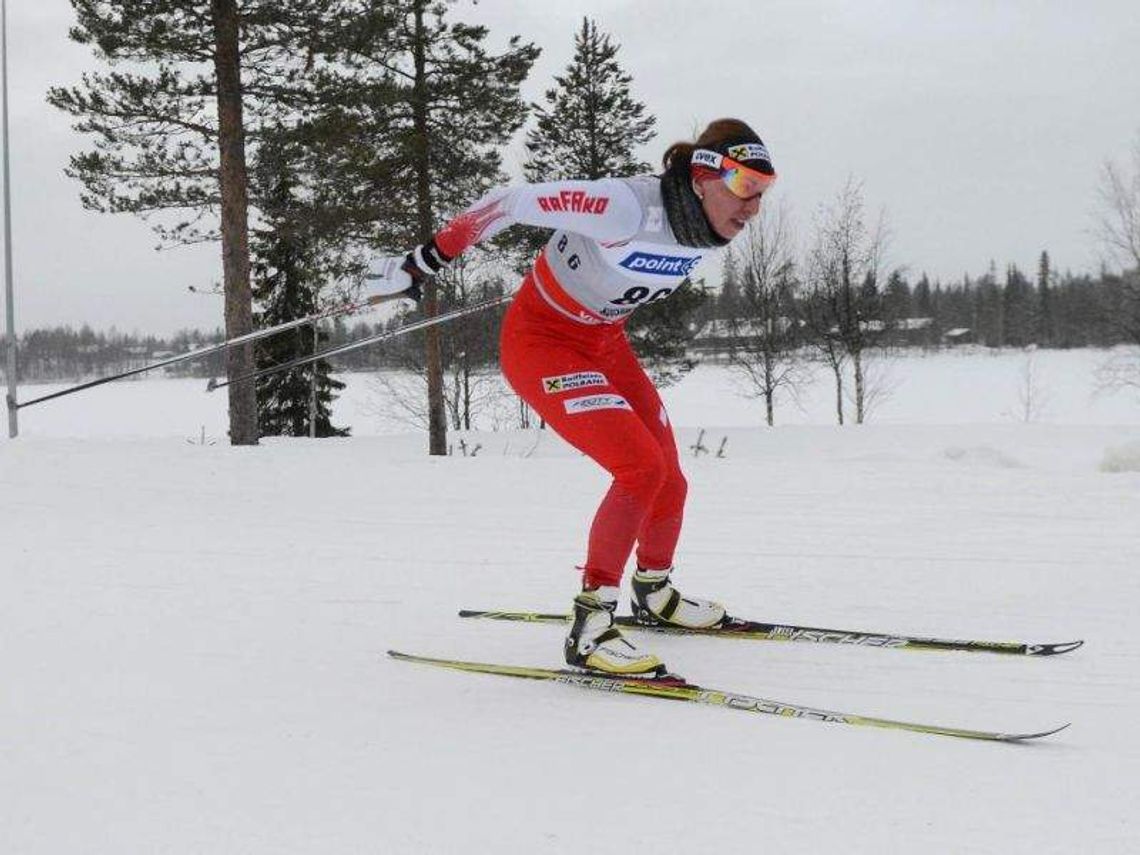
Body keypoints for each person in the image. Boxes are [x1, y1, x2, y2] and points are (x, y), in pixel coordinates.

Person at [367, 118, 776, 677]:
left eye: (763, 191)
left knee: (669, 478)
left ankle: (654, 593)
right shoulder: (626, 206)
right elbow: (508, 203)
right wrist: (426, 259)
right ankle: (590, 626)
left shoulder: (700, 224)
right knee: (639, 469)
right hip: (543, 346)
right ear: (704, 176)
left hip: (604, 342)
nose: (752, 205)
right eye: (744, 186)